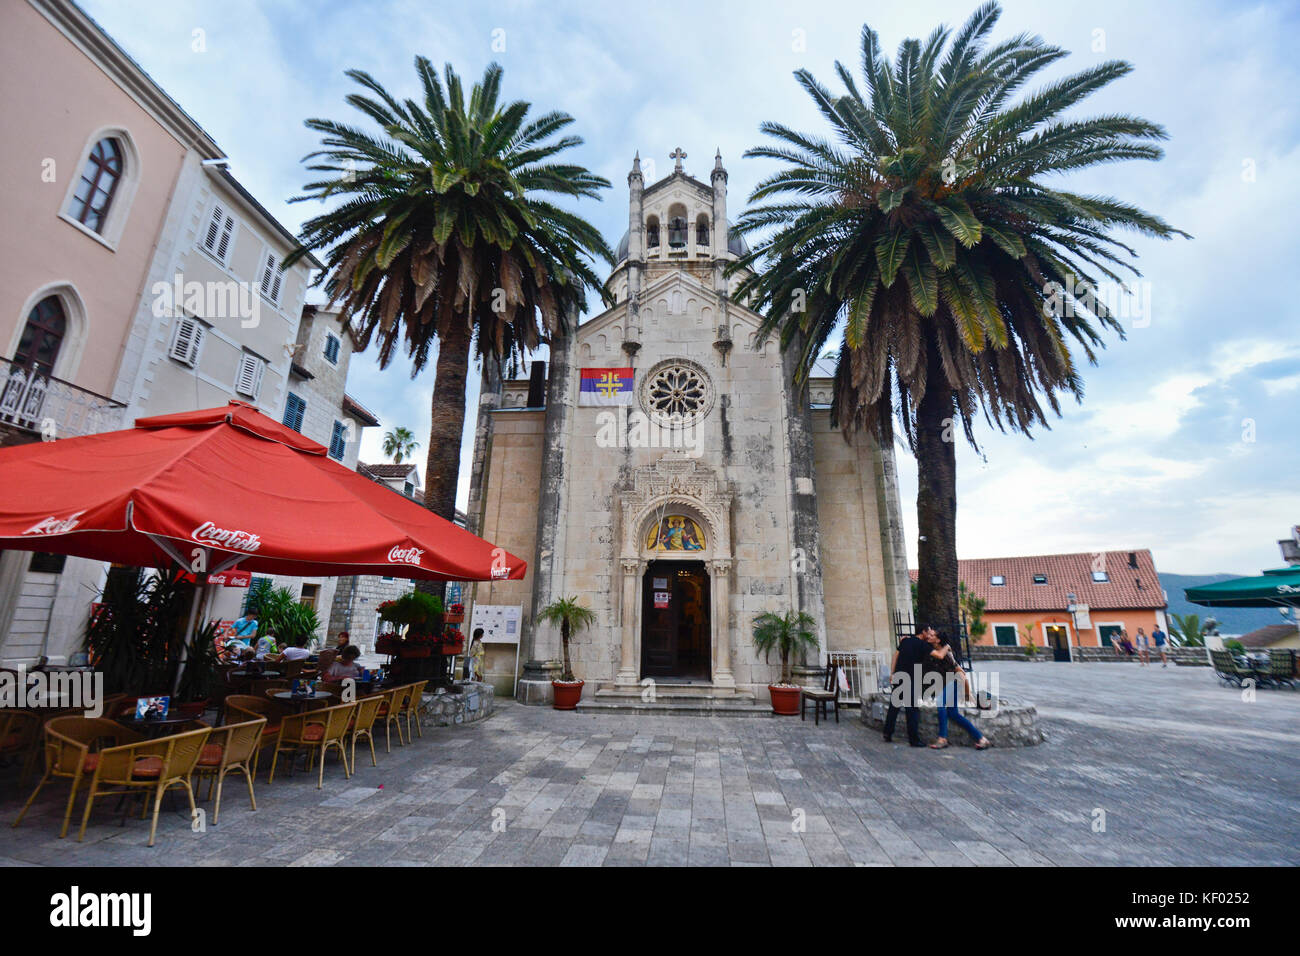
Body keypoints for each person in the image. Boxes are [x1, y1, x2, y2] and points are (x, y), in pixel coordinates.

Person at [927, 633, 991, 750]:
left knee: (940, 702)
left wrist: (968, 693)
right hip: (949, 684)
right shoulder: (935, 649)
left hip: (955, 681)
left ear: (938, 640)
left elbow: (960, 672)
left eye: (932, 635)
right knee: (953, 713)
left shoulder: (946, 654)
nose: (929, 636)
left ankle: (942, 739)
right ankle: (982, 739)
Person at [883, 624, 937, 747]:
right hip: (911, 679)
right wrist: (947, 647)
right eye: (928, 632)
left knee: (894, 706)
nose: (929, 635)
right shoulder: (923, 645)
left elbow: (895, 655)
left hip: (899, 675)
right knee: (912, 709)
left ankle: (887, 732)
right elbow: (938, 655)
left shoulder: (905, 641)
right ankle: (914, 740)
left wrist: (892, 673)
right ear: (923, 632)